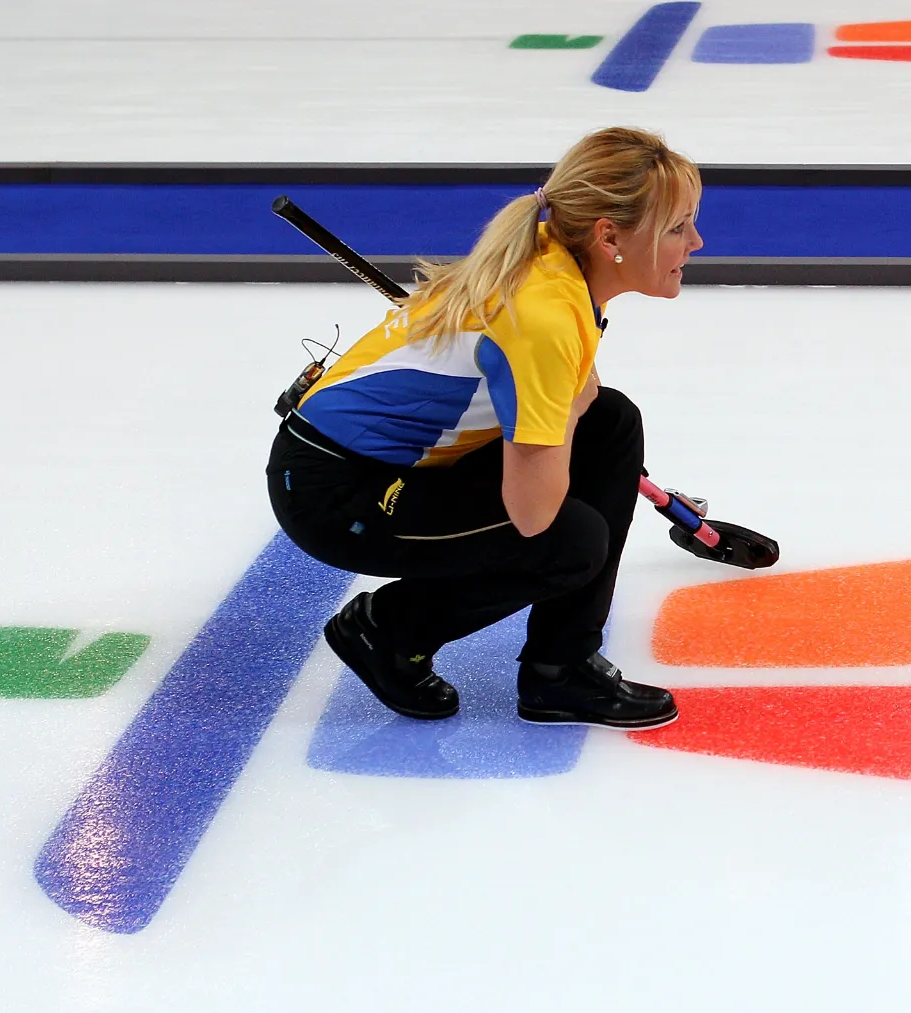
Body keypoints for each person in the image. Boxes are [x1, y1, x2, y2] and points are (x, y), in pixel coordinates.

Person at [265, 127, 702, 730]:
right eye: (678, 227)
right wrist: (567, 409)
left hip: (386, 464)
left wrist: (574, 410)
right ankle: (388, 630)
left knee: (612, 423)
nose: (696, 242)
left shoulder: (558, 260)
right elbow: (533, 515)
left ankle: (561, 669)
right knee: (571, 541)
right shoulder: (544, 314)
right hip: (336, 492)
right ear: (608, 237)